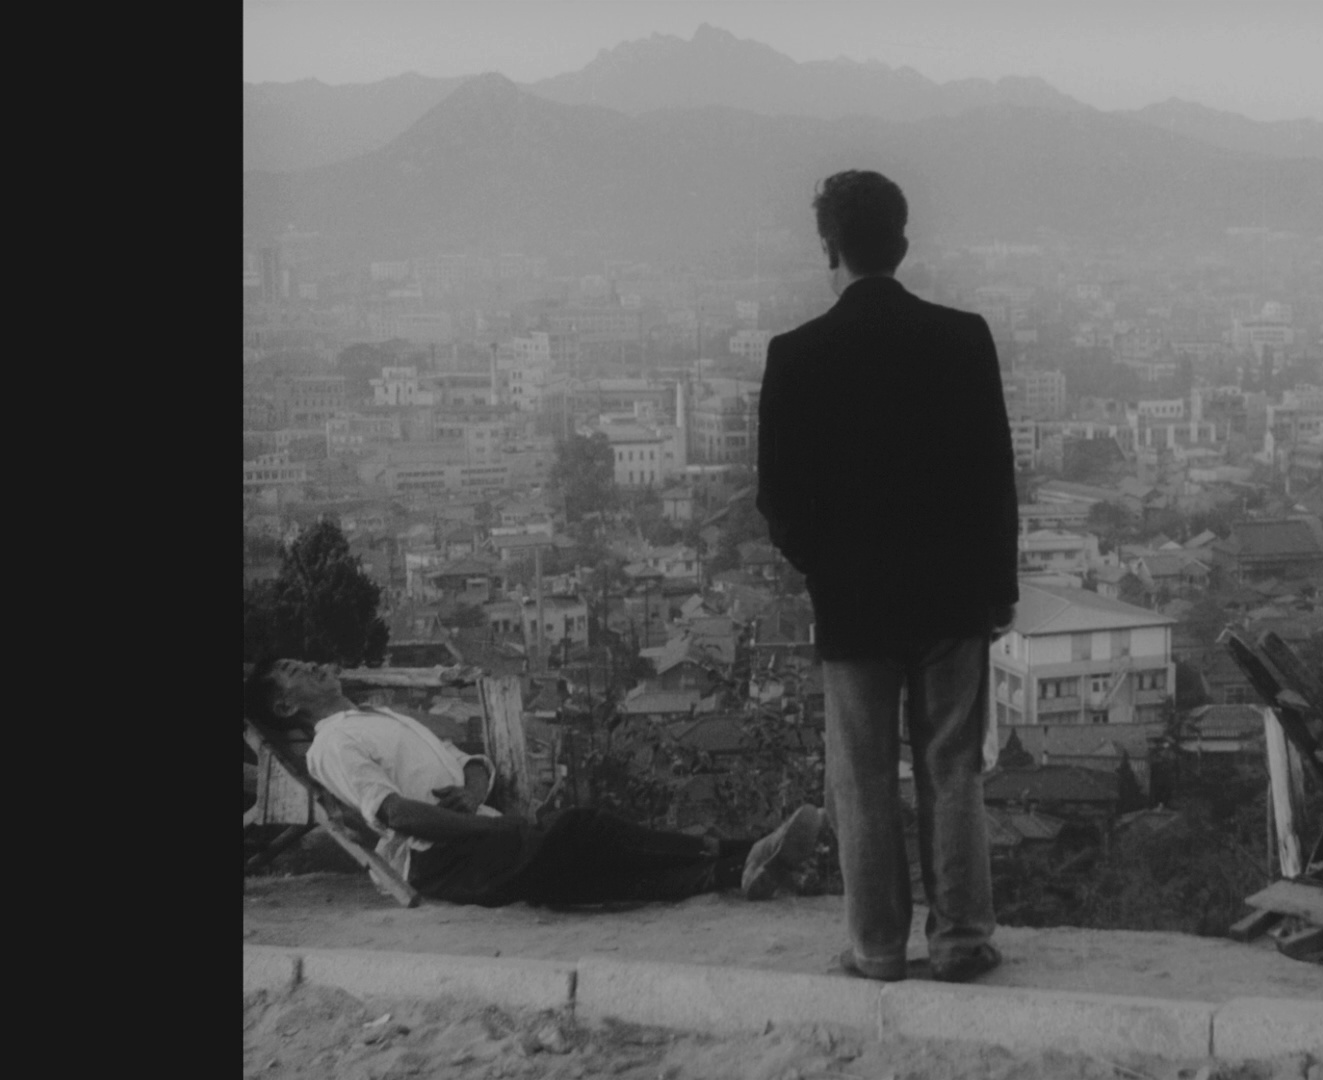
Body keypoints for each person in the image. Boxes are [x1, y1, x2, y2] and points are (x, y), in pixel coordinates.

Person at [756, 170, 1018, 983]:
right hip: (952, 595)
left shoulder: (796, 355)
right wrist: (998, 589)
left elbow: (779, 501)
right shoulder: (964, 338)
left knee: (862, 778)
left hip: (854, 602)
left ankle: (875, 947)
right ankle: (962, 939)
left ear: (828, 248)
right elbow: (994, 479)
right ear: (902, 244)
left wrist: (829, 564)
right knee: (953, 767)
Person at [243, 658, 823, 908]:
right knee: (582, 830)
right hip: (440, 861)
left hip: (475, 837)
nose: (311, 665)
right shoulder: (331, 745)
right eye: (294, 670)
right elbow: (393, 814)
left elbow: (469, 760)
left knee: (585, 874)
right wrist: (487, 828)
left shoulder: (374, 717)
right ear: (284, 704)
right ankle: (743, 850)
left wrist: (475, 788)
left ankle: (737, 871)